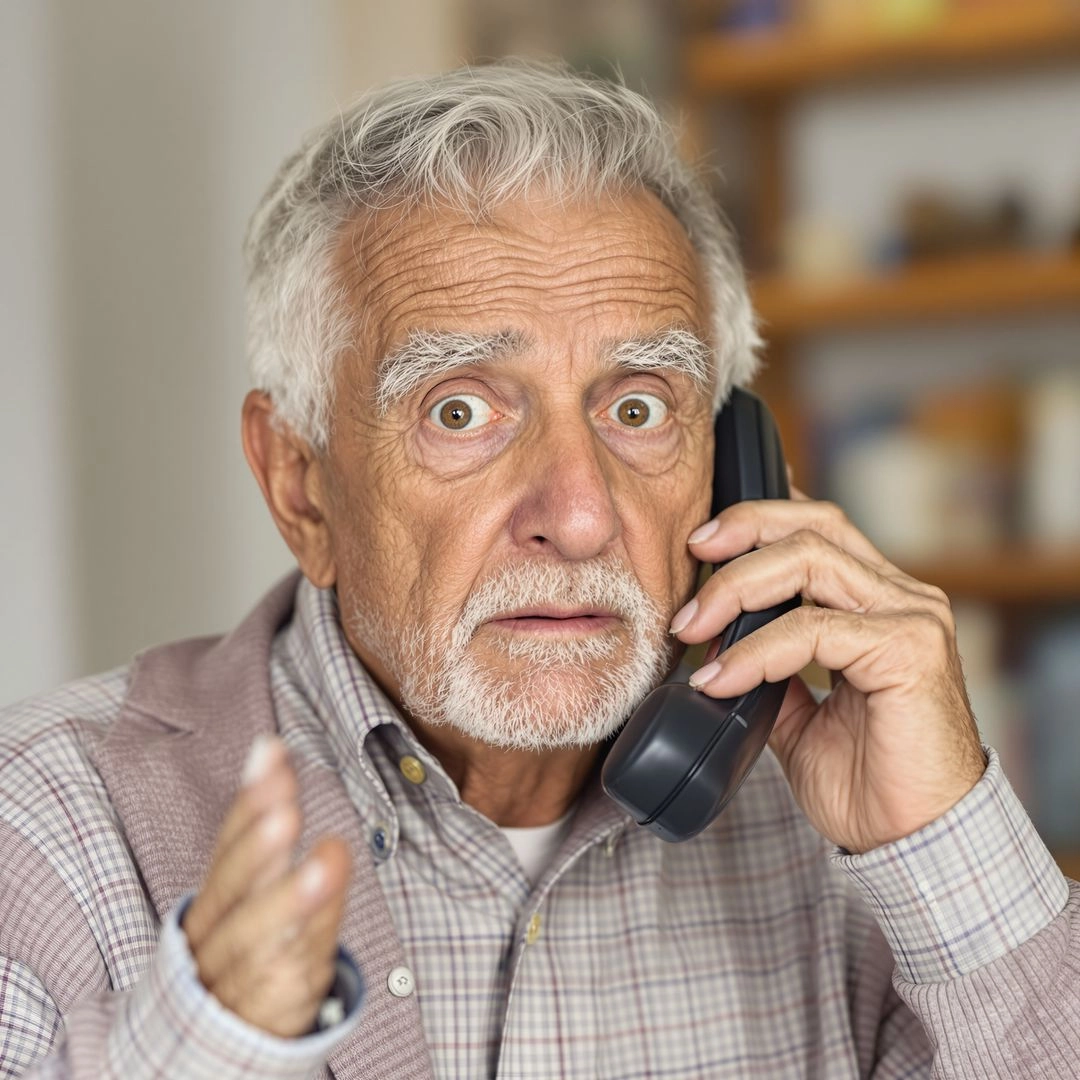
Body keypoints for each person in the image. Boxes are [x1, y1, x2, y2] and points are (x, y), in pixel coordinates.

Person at [1, 60, 1077, 1080]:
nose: (577, 513)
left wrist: (946, 848)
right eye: (460, 410)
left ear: (735, 467)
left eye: (641, 407)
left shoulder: (861, 845)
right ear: (300, 483)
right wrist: (207, 1045)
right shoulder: (46, 833)